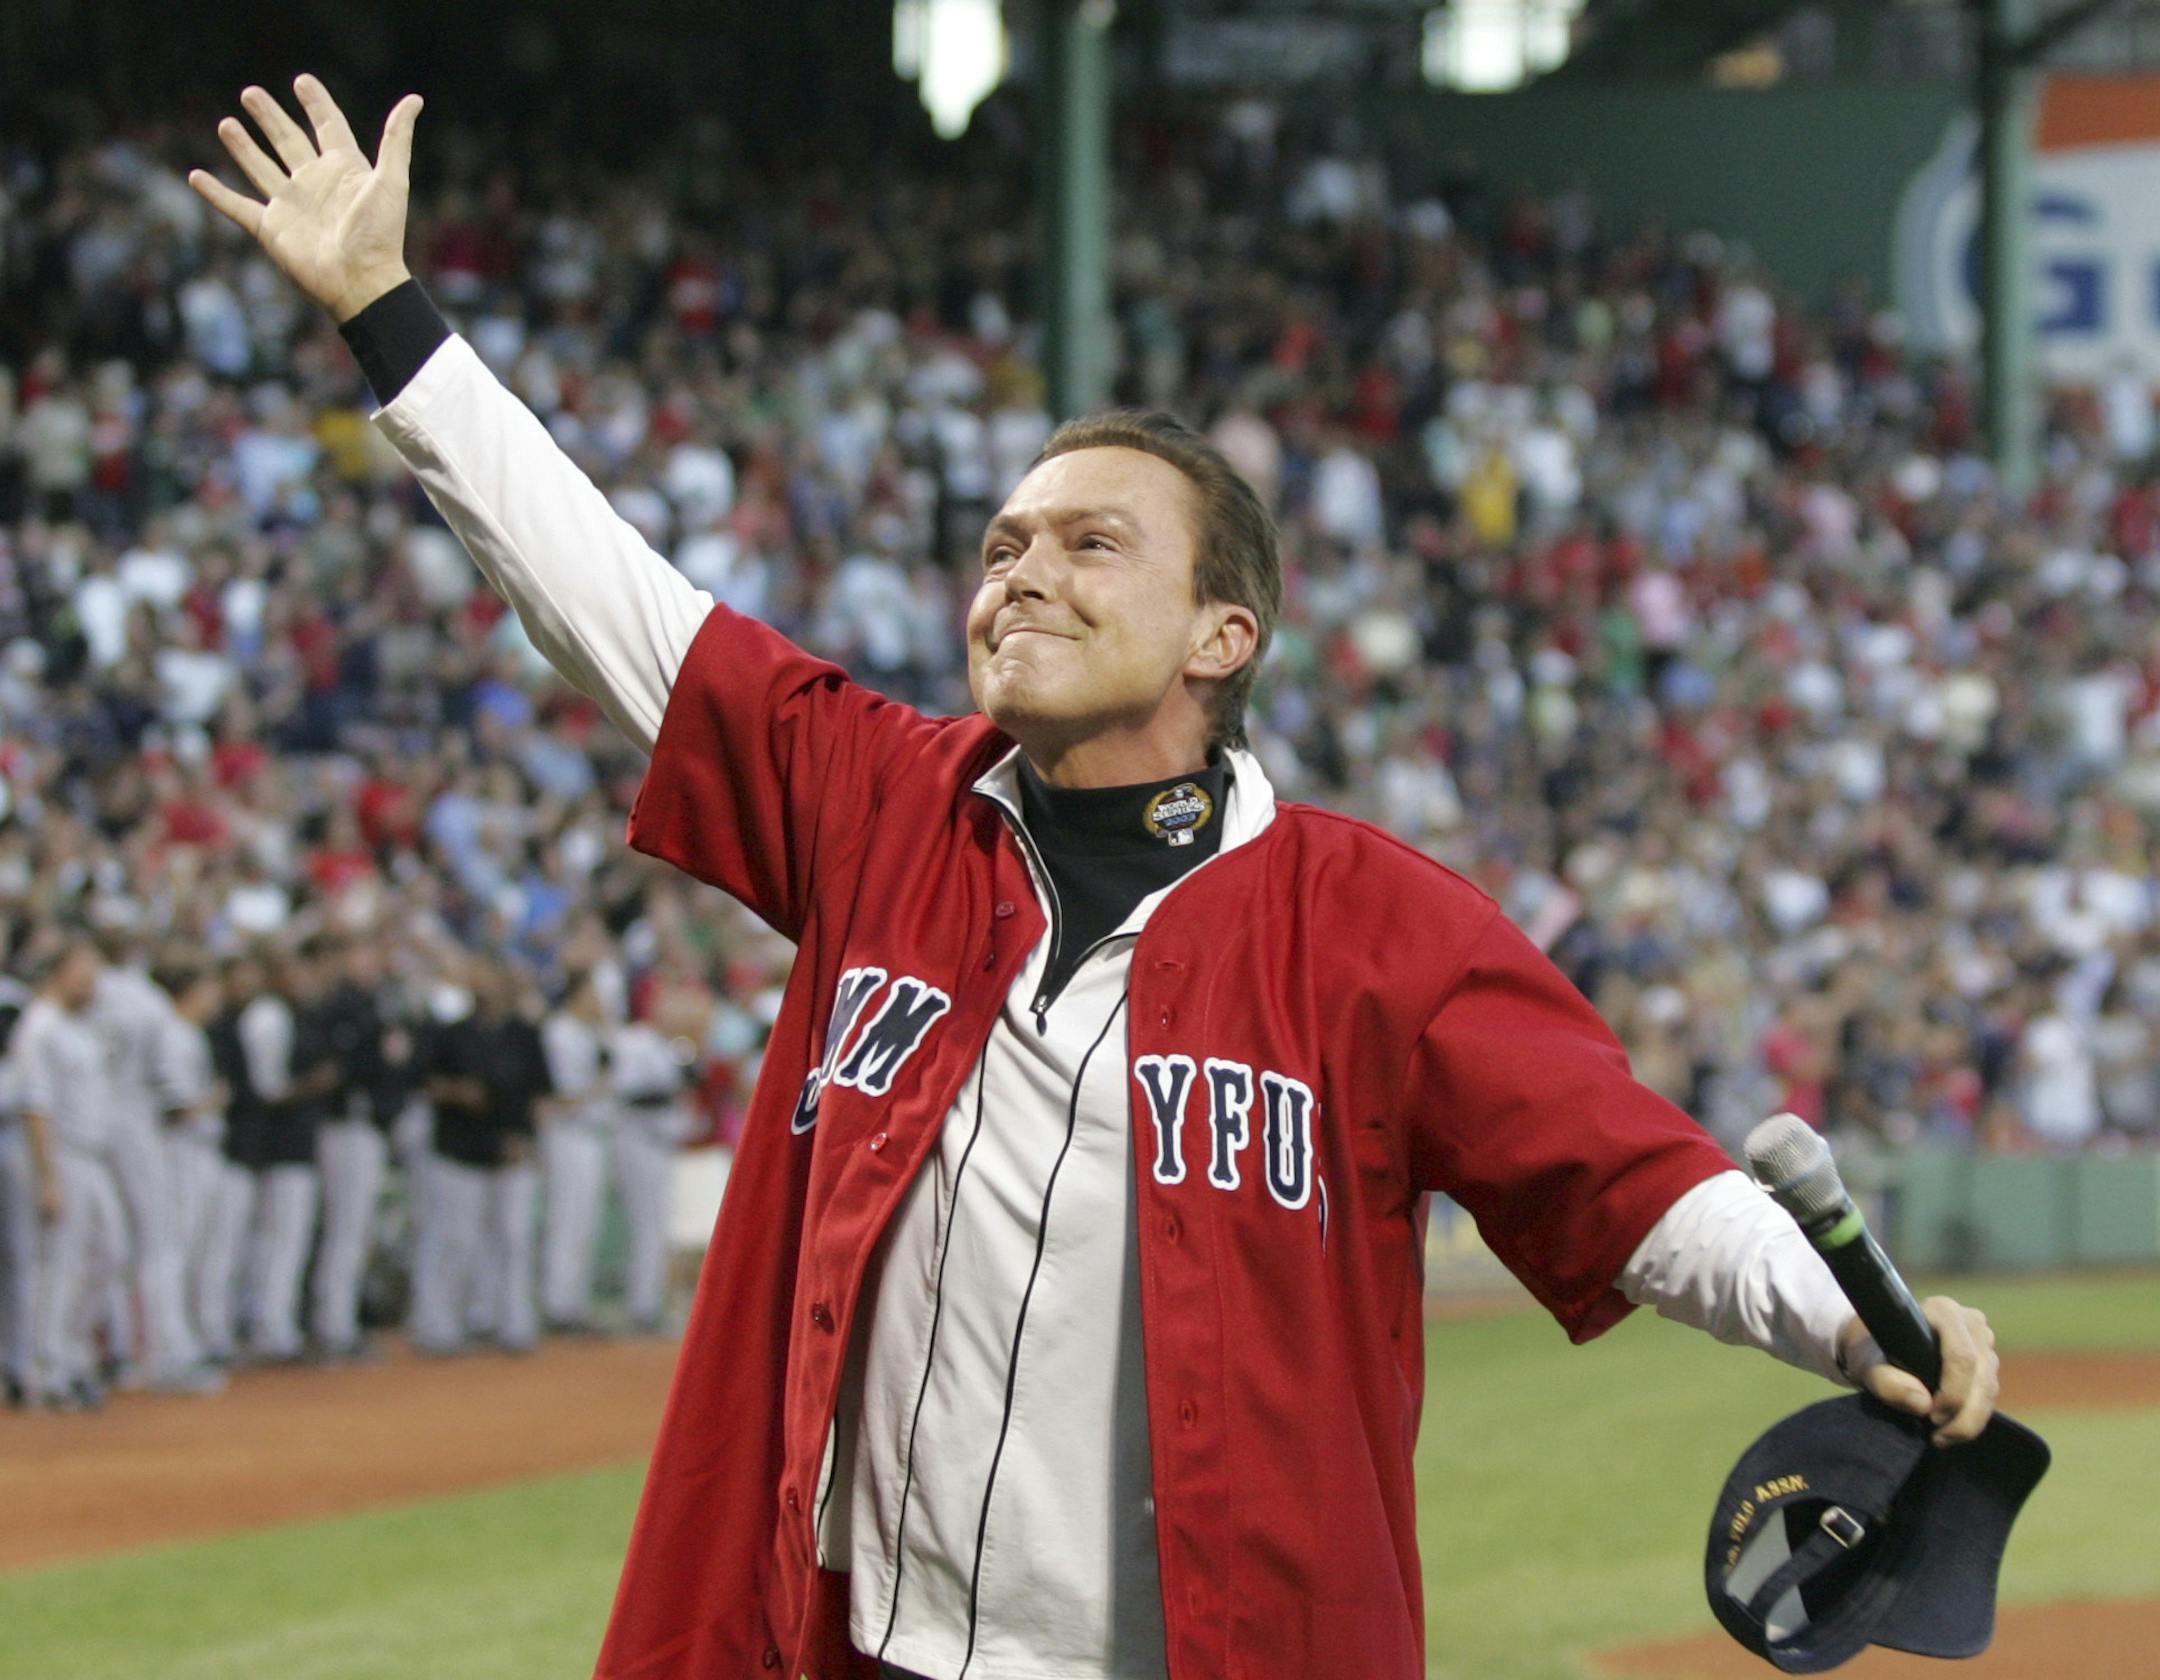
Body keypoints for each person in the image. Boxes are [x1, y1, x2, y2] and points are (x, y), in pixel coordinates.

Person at [191, 81, 2003, 1680]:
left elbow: (1633, 1179)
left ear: (1227, 631)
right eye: (1001, 545)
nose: (1022, 570)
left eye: (1088, 542)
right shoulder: (878, 802)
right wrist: (389, 318)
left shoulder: (1375, 927)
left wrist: (1847, 1318)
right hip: (868, 1645)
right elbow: (609, 597)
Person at [412, 959, 551, 1354]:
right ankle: (441, 1325)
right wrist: (458, 1092)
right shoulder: (450, 1034)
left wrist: (530, 1141)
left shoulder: (524, 1034)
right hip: (461, 1147)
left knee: (514, 1237)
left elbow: (539, 1092)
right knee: (458, 1239)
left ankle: (513, 1323)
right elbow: (423, 1081)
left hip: (512, 1148)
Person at [13, 937, 125, 1411]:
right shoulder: (40, 1027)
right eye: (84, 969)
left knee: (109, 1255)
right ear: (58, 972)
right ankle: (47, 1371)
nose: (92, 980)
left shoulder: (79, 1026)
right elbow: (35, 1106)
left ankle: (74, 1358)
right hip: (60, 1156)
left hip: (92, 1158)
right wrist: (49, 1177)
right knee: (58, 1265)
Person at [235, 941, 339, 1361]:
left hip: (289, 1142)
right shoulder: (269, 1017)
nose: (302, 981)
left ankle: (274, 1324)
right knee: (280, 1236)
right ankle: (269, 1327)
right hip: (279, 1144)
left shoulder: (288, 1015)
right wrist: (314, 1084)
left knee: (284, 1237)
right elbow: (268, 1089)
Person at [538, 970, 615, 1334]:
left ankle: (574, 1302)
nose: (598, 1000)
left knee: (585, 1222)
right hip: (568, 1132)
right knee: (567, 1220)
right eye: (593, 992)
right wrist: (599, 1084)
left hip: (592, 1133)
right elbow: (565, 1096)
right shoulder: (560, 1031)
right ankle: (558, 1305)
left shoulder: (589, 1032)